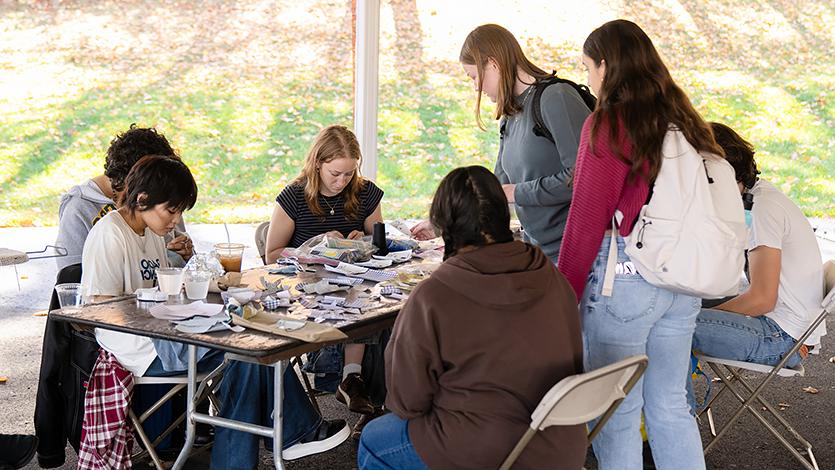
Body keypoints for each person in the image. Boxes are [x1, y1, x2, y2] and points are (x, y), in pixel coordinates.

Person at [78, 155, 347, 467]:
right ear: (142, 199)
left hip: (169, 334)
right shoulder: (109, 234)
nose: (175, 219)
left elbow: (170, 289)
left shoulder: (154, 232)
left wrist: (184, 261)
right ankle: (292, 435)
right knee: (249, 351)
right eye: (171, 209)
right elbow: (98, 308)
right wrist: (162, 303)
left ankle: (274, 444)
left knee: (254, 347)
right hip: (138, 348)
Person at [557, 20, 718, 470]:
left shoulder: (607, 124)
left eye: (588, 67)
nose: (588, 79)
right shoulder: (685, 121)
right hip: (683, 279)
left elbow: (587, 223)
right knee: (670, 405)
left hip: (625, 279)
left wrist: (560, 295)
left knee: (618, 412)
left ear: (607, 65)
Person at [358, 166, 587, 470]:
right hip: (561, 443)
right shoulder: (550, 274)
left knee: (374, 438)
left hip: (485, 448)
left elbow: (406, 402)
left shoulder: (434, 295)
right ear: (503, 216)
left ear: (443, 226)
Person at [412, 24, 591, 263]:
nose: (476, 86)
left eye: (474, 76)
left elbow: (584, 177)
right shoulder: (511, 113)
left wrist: (518, 192)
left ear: (494, 64)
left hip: (574, 250)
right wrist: (443, 223)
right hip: (536, 251)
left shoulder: (556, 98)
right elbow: (494, 188)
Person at [263, 124, 385, 424]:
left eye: (349, 174)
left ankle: (356, 384)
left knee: (386, 318)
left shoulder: (365, 192)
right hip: (309, 291)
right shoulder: (293, 196)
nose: (342, 181)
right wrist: (316, 247)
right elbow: (272, 254)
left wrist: (364, 242)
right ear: (318, 163)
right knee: (375, 320)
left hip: (356, 285)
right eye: (335, 174)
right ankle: (357, 385)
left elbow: (381, 244)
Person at [691, 123, 826, 367]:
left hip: (780, 338)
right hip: (783, 330)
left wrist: (713, 311)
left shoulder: (763, 209)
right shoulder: (756, 199)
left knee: (666, 327)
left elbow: (762, 300)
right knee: (677, 312)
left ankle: (676, 406)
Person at [56, 124, 193, 270]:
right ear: (133, 181)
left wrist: (186, 254)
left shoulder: (162, 198)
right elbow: (70, 276)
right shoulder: (79, 207)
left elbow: (180, 262)